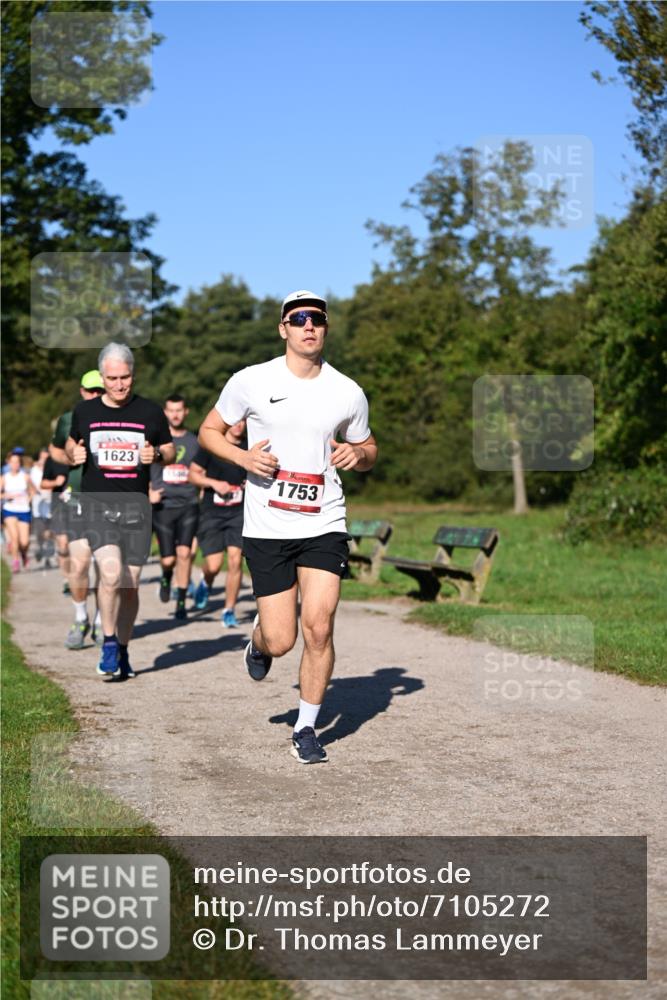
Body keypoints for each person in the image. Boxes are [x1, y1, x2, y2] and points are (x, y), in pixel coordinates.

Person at [199, 290, 377, 764]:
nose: (308, 326)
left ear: (325, 327)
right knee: (283, 639)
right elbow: (208, 431)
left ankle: (305, 727)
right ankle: (259, 640)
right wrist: (243, 457)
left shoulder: (347, 391)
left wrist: (357, 454)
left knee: (318, 628)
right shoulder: (250, 381)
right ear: (283, 328)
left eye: (317, 319)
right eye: (298, 319)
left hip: (325, 520)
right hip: (268, 524)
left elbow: (369, 448)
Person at [65, 343, 175, 679]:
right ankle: (109, 641)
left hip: (136, 509)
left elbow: (170, 451)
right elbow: (71, 442)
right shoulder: (85, 412)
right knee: (110, 574)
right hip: (97, 505)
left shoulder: (150, 412)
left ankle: (123, 649)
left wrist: (155, 455)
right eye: (112, 378)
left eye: (125, 377)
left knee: (130, 585)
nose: (119, 384)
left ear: (133, 374)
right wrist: (74, 454)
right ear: (102, 377)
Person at [51, 370, 107, 643]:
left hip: (109, 499)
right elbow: (55, 449)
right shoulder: (69, 419)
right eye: (90, 391)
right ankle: (80, 617)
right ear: (82, 391)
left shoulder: (115, 419)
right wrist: (70, 456)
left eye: (99, 390)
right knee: (80, 564)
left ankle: (99, 620)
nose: (95, 395)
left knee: (105, 565)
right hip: (77, 499)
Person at [189, 420, 247, 626]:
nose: (239, 425)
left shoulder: (251, 446)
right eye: (236, 421)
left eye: (244, 421)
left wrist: (252, 482)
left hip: (239, 512)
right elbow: (193, 474)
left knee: (235, 560)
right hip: (212, 512)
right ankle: (206, 581)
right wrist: (214, 483)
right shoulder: (213, 445)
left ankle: (228, 610)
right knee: (213, 565)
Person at [149, 394, 200, 621]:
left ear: (185, 412)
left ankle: (181, 602)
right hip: (164, 504)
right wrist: (149, 490)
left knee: (185, 553)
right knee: (169, 559)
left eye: (179, 410)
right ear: (165, 412)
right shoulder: (157, 441)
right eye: (171, 410)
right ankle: (166, 575)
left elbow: (201, 471)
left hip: (188, 503)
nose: (176, 414)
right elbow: (144, 468)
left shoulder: (195, 441)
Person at [1, 449, 35, 572]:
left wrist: (28, 499)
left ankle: (24, 555)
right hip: (9, 510)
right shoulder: (4, 478)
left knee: (24, 542)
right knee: (14, 538)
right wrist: (6, 496)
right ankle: (15, 562)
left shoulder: (25, 476)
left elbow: (33, 490)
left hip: (24, 510)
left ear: (20, 463)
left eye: (17, 462)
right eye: (12, 462)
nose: (15, 464)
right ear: (8, 463)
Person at [30, 447, 54, 565]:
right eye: (43, 457)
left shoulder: (52, 470)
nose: (44, 460)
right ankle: (40, 550)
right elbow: (32, 486)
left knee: (49, 533)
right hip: (38, 508)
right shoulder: (34, 471)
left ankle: (47, 558)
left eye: (47, 458)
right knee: (40, 534)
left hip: (51, 507)